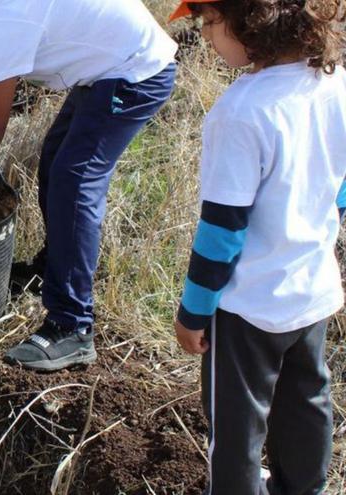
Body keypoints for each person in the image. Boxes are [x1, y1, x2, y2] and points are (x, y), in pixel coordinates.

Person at [0, 0, 178, 371]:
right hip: (108, 66)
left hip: (136, 70)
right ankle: (52, 269)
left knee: (75, 181)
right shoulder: (2, 11)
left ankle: (71, 326)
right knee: (55, 161)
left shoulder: (5, 22)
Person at [170, 1, 346, 493]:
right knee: (307, 401)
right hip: (310, 292)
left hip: (247, 308)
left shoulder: (242, 112)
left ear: (251, 21)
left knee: (236, 428)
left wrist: (194, 312)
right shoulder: (334, 84)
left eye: (209, 22)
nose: (204, 35)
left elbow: (223, 230)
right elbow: (341, 187)